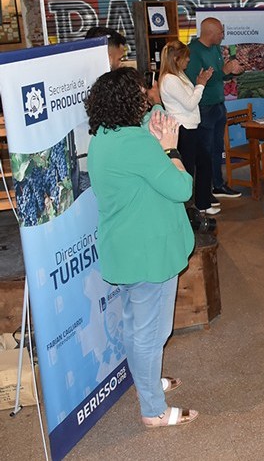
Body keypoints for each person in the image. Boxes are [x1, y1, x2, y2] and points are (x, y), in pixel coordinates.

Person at [85, 68, 198, 427]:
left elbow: (152, 117)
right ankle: (153, 409)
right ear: (129, 102)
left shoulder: (104, 135)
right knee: (150, 333)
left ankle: (147, 383)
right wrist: (171, 148)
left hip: (127, 249)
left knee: (139, 327)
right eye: (143, 93)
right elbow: (182, 188)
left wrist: (155, 122)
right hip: (149, 252)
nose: (150, 94)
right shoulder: (135, 144)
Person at [185, 17, 245, 199]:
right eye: (220, 32)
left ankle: (218, 185)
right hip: (204, 107)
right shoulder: (193, 51)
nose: (223, 35)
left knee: (217, 148)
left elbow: (219, 76)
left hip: (219, 105)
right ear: (210, 33)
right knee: (205, 151)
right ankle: (206, 190)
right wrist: (224, 72)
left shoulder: (216, 48)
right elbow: (195, 80)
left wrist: (230, 72)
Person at [159, 41, 217, 216]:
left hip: (192, 126)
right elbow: (190, 103)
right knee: (187, 169)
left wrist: (200, 82)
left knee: (204, 163)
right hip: (183, 130)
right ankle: (186, 210)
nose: (189, 60)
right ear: (176, 59)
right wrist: (201, 84)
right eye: (186, 57)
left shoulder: (179, 75)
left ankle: (203, 202)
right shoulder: (169, 79)